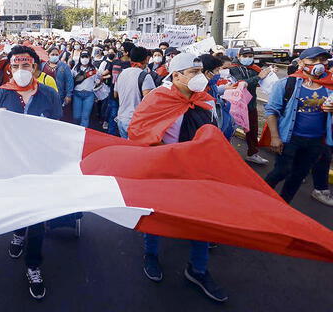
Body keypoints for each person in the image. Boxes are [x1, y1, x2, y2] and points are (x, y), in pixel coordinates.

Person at [128, 53, 227, 303]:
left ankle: (198, 269)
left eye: (201, 72)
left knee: (202, 220)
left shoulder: (206, 101)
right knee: (156, 216)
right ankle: (151, 254)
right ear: (176, 76)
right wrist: (168, 154)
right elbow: (139, 131)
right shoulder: (157, 99)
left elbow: (213, 134)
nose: (200, 77)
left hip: (198, 173)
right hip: (164, 170)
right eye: (193, 73)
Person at [0, 45, 62, 300]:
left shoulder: (50, 95)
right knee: (19, 209)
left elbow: (59, 130)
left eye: (26, 66)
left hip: (41, 167)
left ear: (35, 68)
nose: (21, 71)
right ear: (10, 69)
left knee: (38, 217)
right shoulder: (0, 95)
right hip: (12, 167)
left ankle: (33, 265)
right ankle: (19, 233)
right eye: (16, 67)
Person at [264, 47, 333, 204]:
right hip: (290, 138)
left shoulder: (330, 86)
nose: (319, 64)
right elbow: (271, 111)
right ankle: (262, 195)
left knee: (299, 175)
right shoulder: (287, 83)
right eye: (313, 60)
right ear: (301, 62)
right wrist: (275, 137)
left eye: (323, 60)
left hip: (316, 141)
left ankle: (284, 204)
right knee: (282, 171)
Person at [230, 47, 272, 164]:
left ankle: (252, 153)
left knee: (252, 130)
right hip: (235, 105)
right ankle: (226, 153)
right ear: (239, 56)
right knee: (230, 129)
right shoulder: (233, 69)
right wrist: (259, 77)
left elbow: (262, 80)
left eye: (250, 56)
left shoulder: (254, 68)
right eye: (245, 56)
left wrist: (270, 74)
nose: (248, 58)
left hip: (251, 104)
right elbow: (241, 83)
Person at [115, 47, 155, 138]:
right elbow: (149, 101)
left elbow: (115, 94)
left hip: (121, 118)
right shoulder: (145, 76)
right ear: (146, 59)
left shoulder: (122, 73)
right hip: (136, 121)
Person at [71, 51, 99, 127]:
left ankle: (82, 135)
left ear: (90, 58)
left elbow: (98, 80)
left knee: (85, 117)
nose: (84, 59)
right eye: (83, 57)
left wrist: (98, 82)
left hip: (89, 95)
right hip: (77, 94)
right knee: (76, 117)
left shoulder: (94, 69)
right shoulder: (75, 68)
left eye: (86, 57)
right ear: (80, 58)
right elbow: (71, 80)